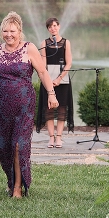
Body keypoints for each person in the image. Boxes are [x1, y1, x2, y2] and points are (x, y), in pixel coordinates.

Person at [0, 12, 58, 198]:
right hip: (3, 106)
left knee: (18, 146)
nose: (9, 34)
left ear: (20, 31)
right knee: (1, 146)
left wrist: (51, 94)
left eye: (12, 31)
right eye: (5, 31)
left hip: (24, 105)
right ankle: (11, 179)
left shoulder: (29, 49)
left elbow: (42, 72)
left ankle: (17, 188)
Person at [35, 17, 74, 148]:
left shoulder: (66, 42)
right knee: (49, 109)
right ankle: (51, 138)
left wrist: (59, 78)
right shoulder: (44, 43)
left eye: (55, 26)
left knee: (62, 108)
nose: (53, 28)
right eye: (50, 27)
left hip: (62, 78)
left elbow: (69, 63)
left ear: (59, 26)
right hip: (48, 78)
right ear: (48, 29)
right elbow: (42, 64)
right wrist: (47, 81)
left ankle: (59, 138)